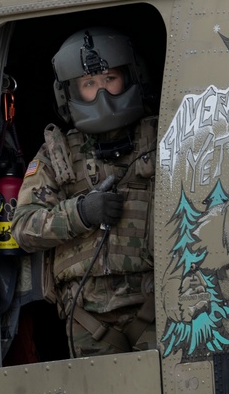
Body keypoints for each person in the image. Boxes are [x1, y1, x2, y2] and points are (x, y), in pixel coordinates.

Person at [11, 27, 156, 357]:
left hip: (156, 306)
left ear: (131, 77)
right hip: (88, 318)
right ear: (70, 94)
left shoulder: (161, 139)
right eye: (89, 85)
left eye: (110, 78)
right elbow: (23, 229)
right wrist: (80, 213)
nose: (102, 93)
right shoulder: (57, 155)